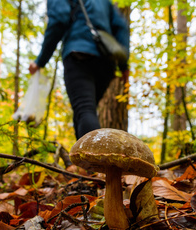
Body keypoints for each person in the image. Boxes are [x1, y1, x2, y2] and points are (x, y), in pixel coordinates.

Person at [29, 0, 130, 139]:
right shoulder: (105, 2)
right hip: (107, 62)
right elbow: (121, 27)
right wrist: (124, 65)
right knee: (85, 111)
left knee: (84, 109)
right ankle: (82, 157)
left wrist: (40, 61)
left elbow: (59, 19)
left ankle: (93, 159)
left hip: (79, 55)